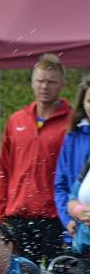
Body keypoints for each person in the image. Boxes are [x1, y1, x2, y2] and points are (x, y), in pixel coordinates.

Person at [0, 54, 72, 265]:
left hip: (56, 218)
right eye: (40, 81)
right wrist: (0, 212)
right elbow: (5, 169)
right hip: (19, 215)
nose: (44, 87)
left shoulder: (71, 123)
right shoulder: (17, 120)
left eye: (51, 82)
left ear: (62, 84)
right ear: (32, 82)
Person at [54, 78, 90, 244]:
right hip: (77, 234)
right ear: (83, 103)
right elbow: (61, 185)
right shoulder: (72, 137)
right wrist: (68, 220)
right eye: (89, 101)